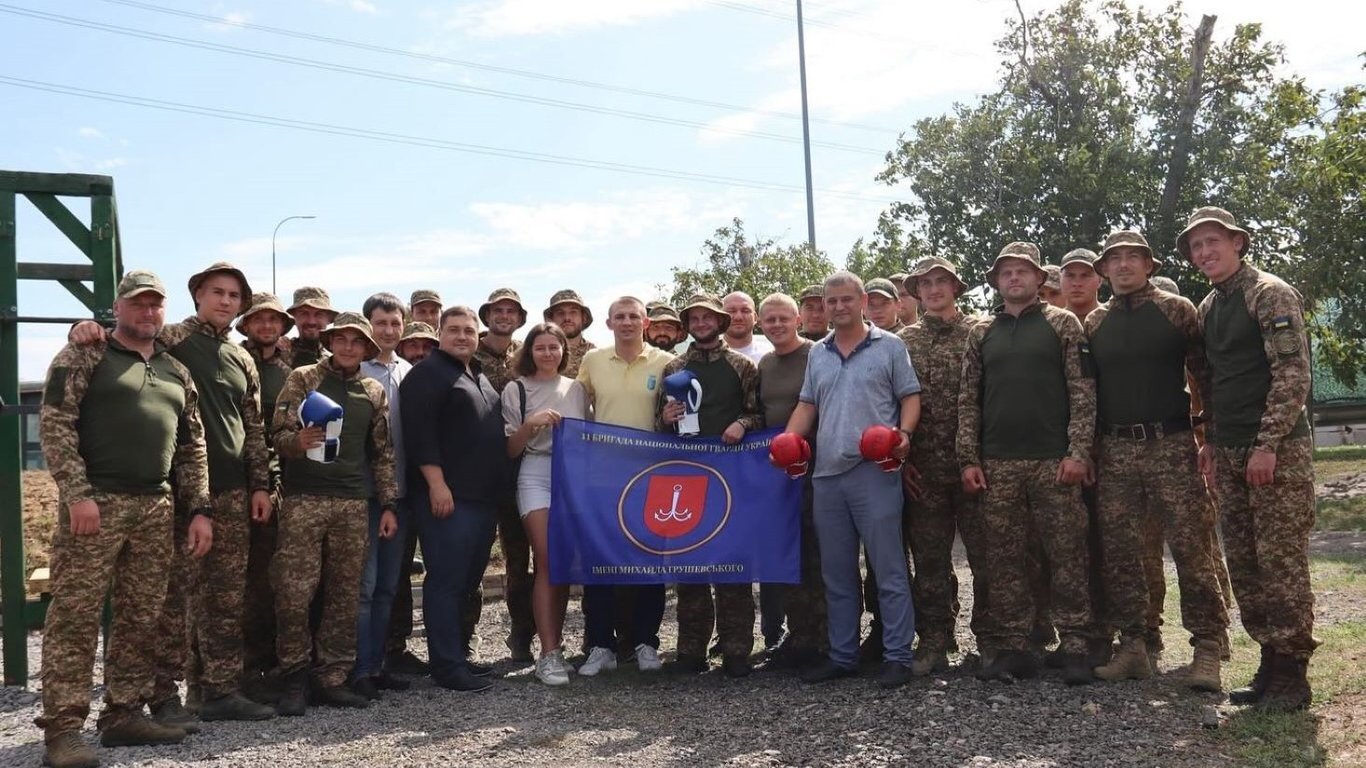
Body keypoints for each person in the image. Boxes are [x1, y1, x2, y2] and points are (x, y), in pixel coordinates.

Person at [69, 262, 274, 723]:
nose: (225, 301)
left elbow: (254, 427)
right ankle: (163, 694)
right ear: (197, 295)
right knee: (168, 601)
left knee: (226, 597)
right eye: (217, 292)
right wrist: (86, 328)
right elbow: (124, 340)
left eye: (234, 296)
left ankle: (218, 690)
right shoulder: (173, 338)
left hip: (232, 493)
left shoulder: (242, 358)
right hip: (178, 495)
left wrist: (259, 483)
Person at [36, 270, 212, 768]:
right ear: (118, 307)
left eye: (156, 305)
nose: (148, 312)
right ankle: (63, 731)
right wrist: (77, 495)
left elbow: (192, 446)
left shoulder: (177, 370)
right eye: (139, 304)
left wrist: (198, 509)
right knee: (75, 616)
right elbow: (56, 426)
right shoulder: (84, 355)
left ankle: (123, 714)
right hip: (96, 505)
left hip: (155, 508)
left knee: (142, 616)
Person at [1185, 206, 1317, 711]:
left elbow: (1292, 374)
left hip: (1276, 451)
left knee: (1280, 562)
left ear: (1237, 242)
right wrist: (1212, 441)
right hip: (1232, 449)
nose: (1204, 253)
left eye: (1213, 241)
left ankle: (1293, 673)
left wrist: (1268, 444)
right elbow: (1211, 384)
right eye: (1196, 247)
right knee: (1245, 562)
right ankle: (1270, 662)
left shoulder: (1270, 293)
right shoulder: (1208, 307)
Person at [1084, 230, 1229, 691]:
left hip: (1171, 444)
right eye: (1115, 259)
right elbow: (1088, 394)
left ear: (1149, 265)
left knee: (1191, 546)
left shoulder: (1176, 310)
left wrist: (1211, 437)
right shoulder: (1094, 323)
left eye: (1134, 257)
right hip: (1116, 450)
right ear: (1103, 270)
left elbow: (1206, 375)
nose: (1124, 265)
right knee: (1122, 553)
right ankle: (1134, 645)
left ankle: (1207, 648)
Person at [958, 242, 1096, 686]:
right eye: (1006, 273)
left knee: (1067, 553)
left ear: (1040, 279)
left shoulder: (1063, 324)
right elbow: (969, 401)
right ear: (996, 281)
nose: (1014, 278)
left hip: (1052, 461)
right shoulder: (981, 332)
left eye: (1022, 271)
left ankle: (1076, 644)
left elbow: (1082, 391)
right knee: (1004, 558)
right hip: (998, 463)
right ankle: (1015, 645)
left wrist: (1078, 452)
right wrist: (968, 459)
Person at [785, 271, 922, 689]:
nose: (839, 307)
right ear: (824, 306)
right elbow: (807, 404)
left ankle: (898, 656)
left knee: (889, 569)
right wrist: (787, 441)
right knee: (837, 573)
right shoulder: (818, 354)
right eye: (832, 301)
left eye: (847, 299)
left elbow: (909, 396)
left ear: (862, 300)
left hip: (875, 472)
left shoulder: (891, 346)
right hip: (826, 474)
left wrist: (905, 435)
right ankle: (843, 656)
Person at [269, 312, 400, 714]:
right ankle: (293, 677)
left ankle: (333, 677)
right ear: (330, 342)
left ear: (365, 348)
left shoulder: (372, 391)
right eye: (341, 339)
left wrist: (389, 504)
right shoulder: (304, 378)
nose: (347, 347)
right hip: (304, 500)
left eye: (356, 341)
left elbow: (382, 454)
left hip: (352, 503)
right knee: (294, 592)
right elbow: (275, 435)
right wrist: (297, 441)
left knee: (344, 595)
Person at [399, 306, 508, 692]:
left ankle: (458, 655)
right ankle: (445, 666)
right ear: (439, 333)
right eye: (454, 330)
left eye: (469, 330)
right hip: (449, 497)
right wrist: (436, 483)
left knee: (465, 582)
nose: (463, 336)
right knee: (445, 582)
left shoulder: (474, 373)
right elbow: (419, 434)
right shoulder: (427, 374)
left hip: (481, 498)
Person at [658, 294, 764, 678]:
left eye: (708, 317)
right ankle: (691, 650)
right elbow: (660, 428)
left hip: (731, 478)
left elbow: (759, 414)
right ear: (688, 324)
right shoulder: (674, 367)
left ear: (720, 321)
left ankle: (737, 649)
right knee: (689, 568)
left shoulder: (743, 366)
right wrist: (667, 417)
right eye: (694, 318)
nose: (701, 322)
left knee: (733, 564)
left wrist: (743, 424)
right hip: (686, 479)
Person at [898, 257, 990, 675]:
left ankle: (991, 640)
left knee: (987, 558)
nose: (933, 289)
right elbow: (892, 404)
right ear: (917, 292)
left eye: (942, 282)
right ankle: (933, 640)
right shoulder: (902, 341)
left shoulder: (981, 331)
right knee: (930, 562)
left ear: (956, 287)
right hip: (924, 470)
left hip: (975, 465)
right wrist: (902, 460)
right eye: (925, 284)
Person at [577, 297, 676, 676]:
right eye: (620, 317)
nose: (627, 322)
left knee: (650, 563)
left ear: (645, 322)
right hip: (603, 479)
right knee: (601, 563)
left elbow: (673, 414)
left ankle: (647, 643)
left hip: (652, 477)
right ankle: (602, 645)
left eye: (634, 316)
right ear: (608, 323)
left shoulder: (665, 363)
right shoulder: (593, 361)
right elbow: (578, 408)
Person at [502, 323, 590, 685]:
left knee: (561, 565)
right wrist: (530, 425)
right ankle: (548, 654)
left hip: (572, 476)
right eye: (541, 348)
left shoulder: (577, 389)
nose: (548, 353)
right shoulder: (516, 389)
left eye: (554, 347)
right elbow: (510, 449)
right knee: (547, 559)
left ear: (563, 352)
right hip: (535, 473)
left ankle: (555, 645)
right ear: (530, 352)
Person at [755, 293, 827, 670]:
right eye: (770, 320)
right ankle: (800, 636)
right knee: (790, 552)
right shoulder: (764, 364)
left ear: (798, 320)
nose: (778, 325)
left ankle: (828, 637)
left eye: (784, 318)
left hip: (819, 465)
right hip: (779, 471)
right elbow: (756, 412)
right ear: (760, 324)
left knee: (821, 553)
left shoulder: (819, 353)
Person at [351, 293, 414, 699]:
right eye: (380, 323)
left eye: (395, 323)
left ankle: (378, 664)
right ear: (367, 324)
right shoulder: (355, 369)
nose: (388, 330)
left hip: (404, 493)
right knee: (365, 586)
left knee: (391, 585)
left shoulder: (410, 371)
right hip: (366, 493)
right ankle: (358, 669)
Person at [236, 292, 296, 703]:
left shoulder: (290, 369)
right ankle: (230, 673)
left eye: (274, 320)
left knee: (269, 579)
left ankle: (267, 665)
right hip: (231, 478)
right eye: (259, 320)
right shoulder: (234, 359)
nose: (267, 326)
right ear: (246, 324)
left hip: (279, 484)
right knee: (232, 584)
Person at [475, 288, 535, 662]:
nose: (504, 315)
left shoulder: (525, 356)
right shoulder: (469, 353)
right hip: (477, 470)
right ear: (488, 315)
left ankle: (522, 634)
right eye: (498, 310)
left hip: (520, 468)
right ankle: (465, 638)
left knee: (519, 559)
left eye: (511, 311)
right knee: (474, 557)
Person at [387, 321, 440, 673]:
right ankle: (392, 648)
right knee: (395, 574)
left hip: (433, 488)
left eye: (427, 346)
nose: (420, 352)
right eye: (413, 345)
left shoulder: (441, 378)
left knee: (444, 569)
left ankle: (451, 645)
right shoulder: (389, 375)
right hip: (395, 489)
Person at [543, 289, 597, 377]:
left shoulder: (595, 355)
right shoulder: (540, 354)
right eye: (560, 313)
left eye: (573, 312)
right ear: (551, 319)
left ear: (584, 318)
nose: (567, 318)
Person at [285, 287, 338, 367]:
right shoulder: (278, 355)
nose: (311, 321)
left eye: (319, 314)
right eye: (304, 313)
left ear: (329, 319)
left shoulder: (336, 363)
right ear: (293, 318)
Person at [722, 290, 773, 362]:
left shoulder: (771, 357)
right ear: (721, 317)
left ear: (755, 318)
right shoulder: (705, 355)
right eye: (731, 311)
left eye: (745, 311)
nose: (738, 317)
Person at [1060, 249, 1103, 320]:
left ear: (1100, 280)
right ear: (1060, 280)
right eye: (1070, 275)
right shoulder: (1049, 324)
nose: (1077, 283)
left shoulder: (1114, 319)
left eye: (1085, 276)